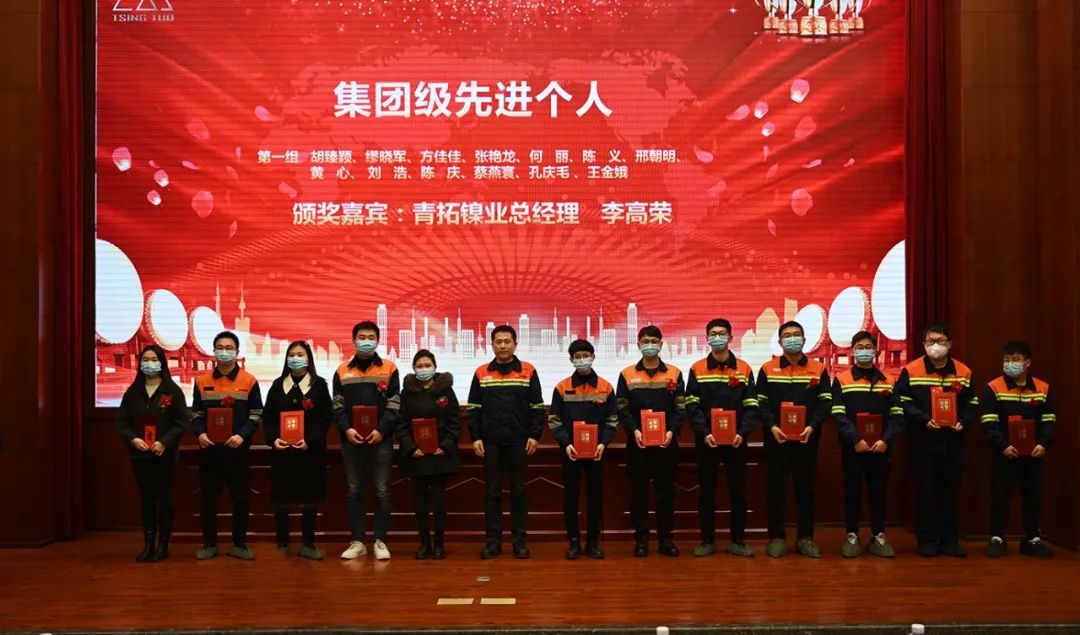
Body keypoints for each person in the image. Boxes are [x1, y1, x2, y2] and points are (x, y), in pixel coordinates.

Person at [896, 323, 979, 558]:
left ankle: (949, 540)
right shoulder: (911, 370)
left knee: (950, 491)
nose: (936, 345)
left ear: (949, 344)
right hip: (922, 440)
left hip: (953, 440)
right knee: (925, 490)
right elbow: (901, 401)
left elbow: (972, 402)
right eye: (931, 341)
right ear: (923, 344)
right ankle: (927, 539)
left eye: (940, 341)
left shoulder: (963, 371)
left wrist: (963, 421)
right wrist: (923, 419)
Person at [466, 325, 545, 559]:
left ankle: (519, 542)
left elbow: (537, 407)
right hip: (490, 443)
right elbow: (474, 408)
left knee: (519, 492)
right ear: (492, 345)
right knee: (492, 493)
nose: (502, 346)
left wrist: (535, 435)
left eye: (507, 341)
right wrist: (475, 437)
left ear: (515, 344)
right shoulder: (481, 372)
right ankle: (493, 542)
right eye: (498, 342)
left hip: (519, 442)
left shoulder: (528, 371)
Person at [685, 318, 760, 558]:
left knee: (739, 492)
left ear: (731, 337)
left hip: (737, 442)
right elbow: (692, 405)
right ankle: (707, 540)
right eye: (713, 333)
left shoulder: (744, 369)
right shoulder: (697, 369)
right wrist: (704, 432)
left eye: (722, 333)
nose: (717, 337)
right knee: (706, 492)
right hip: (707, 442)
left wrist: (742, 433)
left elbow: (752, 405)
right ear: (707, 338)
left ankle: (737, 541)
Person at [756, 321, 831, 558]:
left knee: (806, 490)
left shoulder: (818, 369)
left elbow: (826, 402)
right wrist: (772, 426)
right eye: (787, 336)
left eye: (796, 335)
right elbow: (760, 402)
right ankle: (777, 538)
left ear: (804, 340)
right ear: (780, 342)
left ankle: (805, 538)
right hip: (776, 440)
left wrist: (812, 426)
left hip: (807, 440)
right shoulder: (767, 369)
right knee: (776, 489)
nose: (792, 339)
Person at [830, 330, 905, 558]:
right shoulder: (842, 380)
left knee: (878, 492)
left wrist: (885, 440)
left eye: (868, 347)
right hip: (853, 448)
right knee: (852, 492)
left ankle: (878, 536)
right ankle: (852, 535)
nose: (864, 351)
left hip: (881, 448)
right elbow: (838, 414)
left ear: (876, 351)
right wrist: (856, 439)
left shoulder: (889, 380)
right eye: (859, 347)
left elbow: (897, 414)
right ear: (853, 351)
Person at [189, 331, 263, 560]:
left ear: (237, 352)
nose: (224, 352)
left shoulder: (249, 381)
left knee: (240, 498)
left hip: (237, 451)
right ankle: (209, 544)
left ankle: (239, 544)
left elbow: (256, 414)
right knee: (208, 499)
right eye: (220, 347)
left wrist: (242, 435)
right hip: (209, 451)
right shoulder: (201, 381)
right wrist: (200, 433)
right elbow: (195, 414)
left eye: (229, 348)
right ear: (213, 351)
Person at [981, 341, 1056, 558]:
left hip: (1034, 454)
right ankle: (997, 538)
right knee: (1000, 496)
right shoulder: (994, 387)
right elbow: (988, 422)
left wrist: (1044, 444)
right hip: (1005, 454)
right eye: (1006, 360)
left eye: (1015, 360)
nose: (1010, 364)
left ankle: (1032, 539)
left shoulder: (1042, 388)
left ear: (1027, 363)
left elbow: (1049, 420)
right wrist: (1003, 445)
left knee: (1033, 497)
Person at [333, 320, 401, 561]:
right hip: (351, 440)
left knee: (382, 491)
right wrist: (347, 429)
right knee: (354, 491)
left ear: (378, 340)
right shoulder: (342, 370)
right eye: (362, 337)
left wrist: (382, 430)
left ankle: (381, 540)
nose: (366, 341)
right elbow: (337, 405)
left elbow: (394, 404)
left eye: (371, 337)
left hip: (381, 440)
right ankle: (358, 541)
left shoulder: (389, 368)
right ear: (354, 341)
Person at [616, 325, 686, 558]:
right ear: (638, 344)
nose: (650, 345)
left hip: (667, 444)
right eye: (645, 341)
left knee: (666, 493)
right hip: (638, 445)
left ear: (661, 344)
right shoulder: (627, 374)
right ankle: (641, 540)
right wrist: (634, 430)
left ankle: (666, 540)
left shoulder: (674, 373)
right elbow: (622, 408)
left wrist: (672, 431)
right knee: (638, 494)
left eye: (654, 341)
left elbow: (680, 408)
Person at [115, 344, 188, 562]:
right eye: (145, 360)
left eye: (154, 360)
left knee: (164, 499)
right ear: (139, 364)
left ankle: (163, 544)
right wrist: (133, 439)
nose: (149, 364)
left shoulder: (172, 391)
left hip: (164, 455)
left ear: (162, 363)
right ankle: (148, 544)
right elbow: (122, 422)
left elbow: (181, 422)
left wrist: (164, 442)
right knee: (147, 500)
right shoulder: (132, 393)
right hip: (140, 455)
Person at [261, 341, 333, 560]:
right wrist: (273, 439)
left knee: (309, 498)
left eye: (300, 354)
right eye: (291, 354)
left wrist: (310, 440)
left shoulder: (319, 385)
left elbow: (325, 418)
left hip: (310, 452)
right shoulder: (277, 385)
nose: (295, 358)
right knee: (282, 498)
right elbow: (268, 417)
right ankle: (283, 542)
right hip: (282, 452)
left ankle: (308, 544)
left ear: (308, 358)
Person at [547, 339, 618, 560]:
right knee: (571, 497)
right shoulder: (561, 387)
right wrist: (565, 443)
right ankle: (574, 542)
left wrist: (603, 443)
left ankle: (593, 542)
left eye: (585, 355)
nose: (582, 360)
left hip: (597, 452)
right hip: (570, 452)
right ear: (571, 360)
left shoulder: (606, 387)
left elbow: (612, 420)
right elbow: (554, 420)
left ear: (593, 357)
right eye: (577, 357)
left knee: (595, 497)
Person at [396, 350, 461, 560]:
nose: (424, 369)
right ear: (414, 369)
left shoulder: (445, 390)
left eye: (427, 365)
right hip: (416, 455)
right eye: (420, 366)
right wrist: (410, 447)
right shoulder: (407, 392)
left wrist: (446, 445)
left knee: (439, 502)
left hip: (440, 455)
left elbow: (455, 421)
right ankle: (424, 543)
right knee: (420, 503)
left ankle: (439, 544)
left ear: (435, 366)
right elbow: (401, 423)